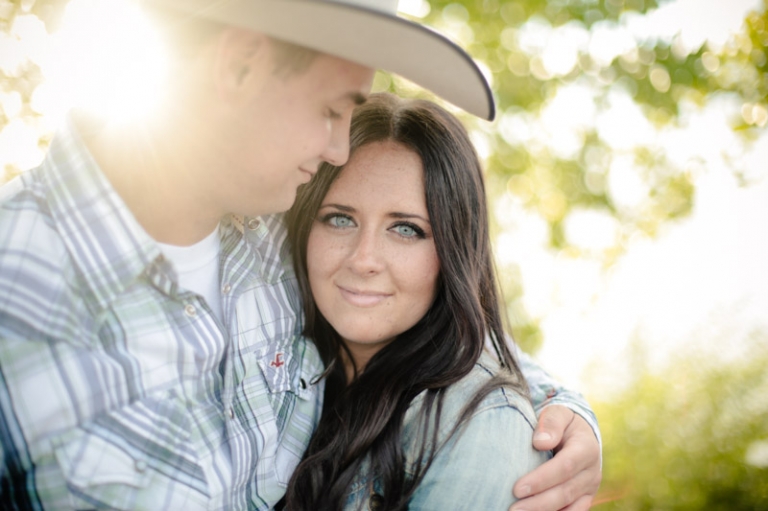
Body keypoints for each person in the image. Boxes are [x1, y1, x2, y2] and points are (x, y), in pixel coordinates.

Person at [0, 1, 600, 509]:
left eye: (405, 229)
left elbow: (448, 326)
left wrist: (558, 410)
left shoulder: (271, 223)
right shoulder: (18, 291)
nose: (339, 149)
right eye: (332, 110)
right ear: (239, 66)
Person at [282, 92, 547, 510]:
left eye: (406, 229)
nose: (363, 259)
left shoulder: (480, 426)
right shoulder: (288, 368)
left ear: (453, 252)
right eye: (340, 218)